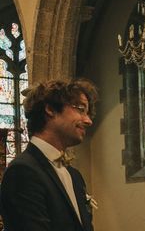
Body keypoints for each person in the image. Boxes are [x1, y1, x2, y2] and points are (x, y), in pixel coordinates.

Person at [0, 78, 98, 231]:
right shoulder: (22, 172)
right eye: (80, 109)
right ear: (50, 109)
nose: (88, 120)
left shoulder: (75, 176)